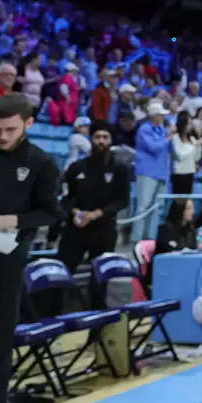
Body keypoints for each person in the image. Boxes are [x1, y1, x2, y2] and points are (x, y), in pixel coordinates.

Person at [0, 93, 63, 403]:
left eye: (10, 129)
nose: (2, 135)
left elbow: (52, 212)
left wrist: (8, 220)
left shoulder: (41, 163)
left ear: (28, 123)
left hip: (6, 260)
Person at [58, 119, 131, 308]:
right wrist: (75, 212)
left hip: (104, 230)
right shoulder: (76, 168)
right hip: (76, 229)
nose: (101, 141)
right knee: (60, 275)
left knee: (99, 283)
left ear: (111, 141)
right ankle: (50, 321)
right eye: (97, 136)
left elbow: (123, 200)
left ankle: (98, 328)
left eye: (105, 137)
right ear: (90, 139)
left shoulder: (120, 169)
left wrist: (98, 214)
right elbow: (65, 199)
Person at [133, 101, 172, 242]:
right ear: (154, 116)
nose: (163, 118)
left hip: (161, 172)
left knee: (157, 207)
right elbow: (154, 147)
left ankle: (151, 237)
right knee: (143, 206)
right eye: (161, 115)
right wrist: (168, 138)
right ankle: (137, 238)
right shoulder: (144, 129)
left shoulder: (162, 129)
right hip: (147, 172)